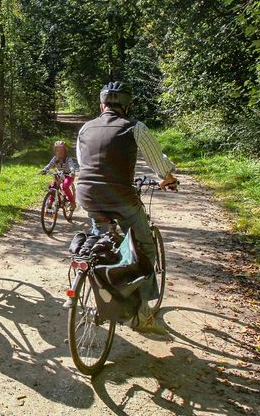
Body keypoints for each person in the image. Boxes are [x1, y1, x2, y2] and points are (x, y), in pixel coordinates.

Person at [75, 81, 178, 333]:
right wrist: (169, 177)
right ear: (127, 105)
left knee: (102, 240)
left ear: (101, 105)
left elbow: (83, 162)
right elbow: (157, 161)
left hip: (87, 195)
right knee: (144, 248)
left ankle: (99, 279)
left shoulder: (85, 129)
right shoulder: (135, 128)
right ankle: (141, 316)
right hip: (121, 197)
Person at [40, 140, 77, 210]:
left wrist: (72, 172)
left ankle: (72, 203)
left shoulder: (68, 159)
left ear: (65, 151)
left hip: (68, 175)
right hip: (59, 175)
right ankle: (50, 202)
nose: (59, 152)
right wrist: (45, 169)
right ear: (55, 151)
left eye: (61, 150)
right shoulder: (55, 158)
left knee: (65, 186)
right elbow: (50, 165)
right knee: (53, 186)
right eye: (57, 150)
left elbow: (71, 166)